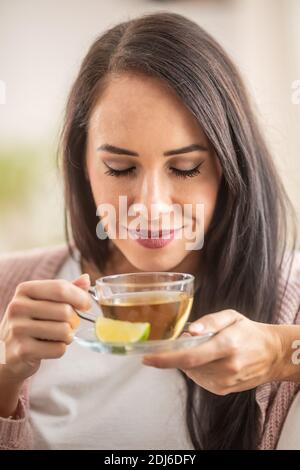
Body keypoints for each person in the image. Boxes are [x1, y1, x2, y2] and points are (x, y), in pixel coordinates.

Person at [0, 12, 299, 450]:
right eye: (119, 168)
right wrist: (4, 376)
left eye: (185, 168)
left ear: (229, 168)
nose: (151, 207)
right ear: (83, 166)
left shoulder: (288, 299)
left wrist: (281, 354)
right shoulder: (10, 287)